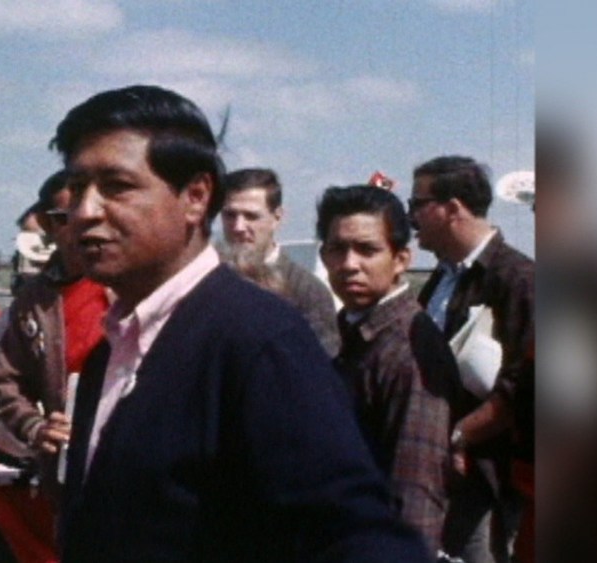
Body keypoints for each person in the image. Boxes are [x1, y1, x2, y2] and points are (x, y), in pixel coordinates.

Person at [51, 84, 431, 561]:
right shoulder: (113, 350)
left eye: (116, 186)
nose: (85, 211)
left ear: (195, 197)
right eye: (78, 187)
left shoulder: (259, 342)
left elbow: (356, 536)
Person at [0, 170, 111, 562]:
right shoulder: (31, 303)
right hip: (27, 480)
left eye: (92, 211)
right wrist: (31, 427)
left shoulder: (130, 291)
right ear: (49, 226)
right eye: (66, 216)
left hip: (107, 484)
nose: (82, 223)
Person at [316, 185, 462, 555]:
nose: (349, 264)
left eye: (367, 250)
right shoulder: (356, 333)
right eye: (337, 249)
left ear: (400, 260)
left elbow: (416, 493)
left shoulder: (410, 350)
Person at [409, 155, 535, 563]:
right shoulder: (443, 278)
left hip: (486, 482)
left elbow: (522, 386)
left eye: (417, 204)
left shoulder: (518, 280)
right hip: (440, 470)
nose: (411, 217)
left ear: (452, 209)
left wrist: (461, 436)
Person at [220, 167, 340, 355]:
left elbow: (320, 362)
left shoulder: (306, 291)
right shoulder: (204, 280)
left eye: (251, 216)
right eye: (230, 215)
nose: (238, 227)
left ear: (277, 218)